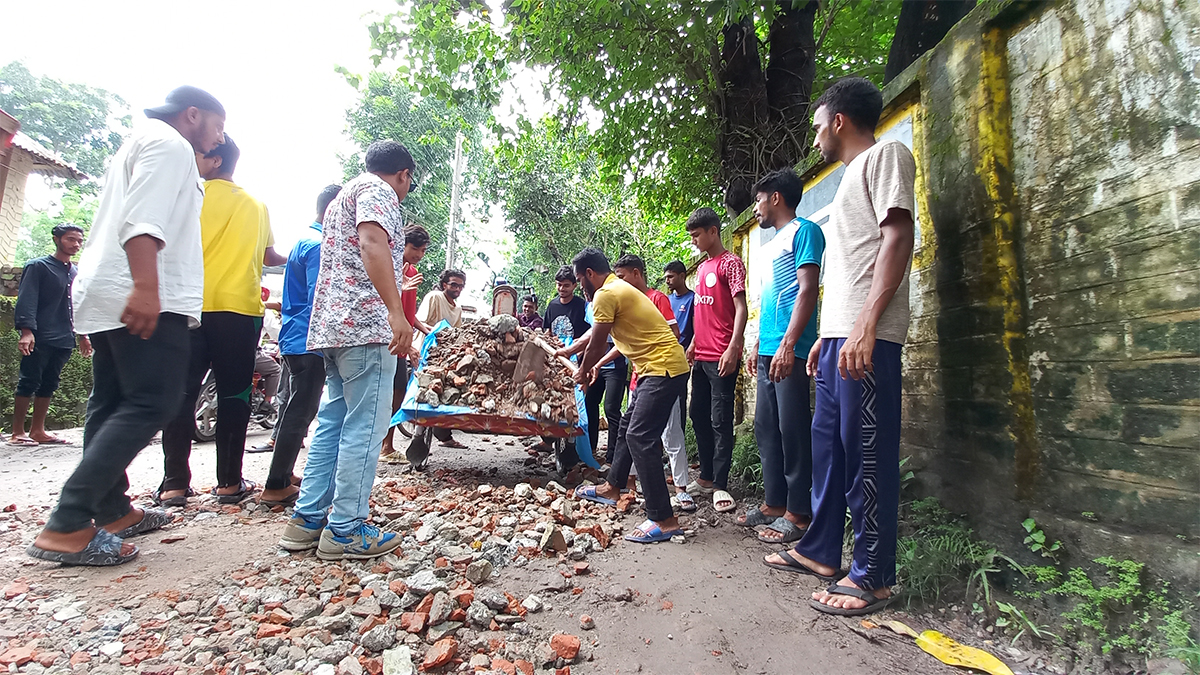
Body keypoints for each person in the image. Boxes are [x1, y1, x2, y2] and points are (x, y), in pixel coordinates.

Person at [26, 85, 226, 566]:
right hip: (134, 284)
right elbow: (144, 221)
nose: (220, 138)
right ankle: (68, 522)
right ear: (193, 115)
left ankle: (111, 507)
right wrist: (146, 287)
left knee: (112, 398)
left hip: (104, 285)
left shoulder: (138, 144)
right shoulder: (171, 144)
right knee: (154, 400)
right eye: (218, 126)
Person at [769, 77, 915, 617]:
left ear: (838, 120)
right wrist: (827, 338)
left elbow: (898, 238)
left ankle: (873, 574)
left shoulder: (887, 156)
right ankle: (821, 550)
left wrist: (866, 324)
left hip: (867, 340)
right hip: (838, 342)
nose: (813, 140)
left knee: (867, 456)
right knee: (829, 450)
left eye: (815, 127)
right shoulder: (849, 176)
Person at [280, 140, 418, 560]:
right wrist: (397, 313)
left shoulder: (343, 196)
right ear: (403, 175)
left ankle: (307, 519)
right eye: (408, 182)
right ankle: (346, 528)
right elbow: (373, 244)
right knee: (365, 426)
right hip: (366, 327)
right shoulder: (380, 193)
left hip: (334, 329)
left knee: (333, 421)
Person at [158, 135, 286, 507]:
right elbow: (271, 256)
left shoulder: (188, 197)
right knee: (235, 395)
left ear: (213, 159)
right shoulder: (256, 206)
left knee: (180, 396)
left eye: (198, 152)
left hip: (187, 308)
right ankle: (229, 483)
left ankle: (174, 485)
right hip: (238, 311)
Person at [567, 248, 689, 544]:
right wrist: (568, 351)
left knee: (640, 436)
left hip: (663, 368)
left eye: (578, 278)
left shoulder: (606, 294)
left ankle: (664, 519)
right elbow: (594, 336)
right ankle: (613, 487)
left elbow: (596, 343)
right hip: (654, 368)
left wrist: (583, 371)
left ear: (589, 275)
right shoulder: (614, 289)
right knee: (625, 428)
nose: (579, 284)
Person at [739, 167, 824, 546]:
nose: (755, 207)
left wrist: (790, 343)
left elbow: (808, 291)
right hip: (769, 348)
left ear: (776, 197)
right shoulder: (771, 244)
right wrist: (759, 341)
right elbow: (770, 300)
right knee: (766, 428)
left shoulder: (805, 232)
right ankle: (774, 503)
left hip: (792, 348)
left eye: (759, 199)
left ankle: (798, 513)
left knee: (793, 430)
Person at [258, 184, 341, 505]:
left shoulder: (303, 240)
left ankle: (284, 473)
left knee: (297, 406)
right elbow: (319, 297)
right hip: (310, 339)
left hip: (295, 336)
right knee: (301, 409)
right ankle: (276, 483)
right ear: (331, 210)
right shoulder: (320, 246)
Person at [609, 254, 694, 513]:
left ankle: (680, 490)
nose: (618, 283)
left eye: (622, 277)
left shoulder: (658, 299)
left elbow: (673, 333)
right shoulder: (623, 300)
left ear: (637, 273)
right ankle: (632, 487)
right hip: (639, 376)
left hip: (662, 373)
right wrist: (599, 363)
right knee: (633, 431)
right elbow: (621, 342)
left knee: (668, 433)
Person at [686, 207, 748, 513]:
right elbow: (704, 312)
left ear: (713, 231)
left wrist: (733, 347)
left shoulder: (730, 264)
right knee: (697, 414)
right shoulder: (701, 269)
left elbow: (741, 308)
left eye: (697, 235)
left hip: (723, 355)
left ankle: (721, 484)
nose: (695, 241)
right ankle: (707, 476)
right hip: (702, 356)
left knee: (720, 420)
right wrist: (695, 343)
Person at [9, 223, 92, 447]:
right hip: (40, 335)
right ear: (56, 239)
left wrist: (82, 335)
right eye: (71, 239)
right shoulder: (38, 266)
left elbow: (77, 304)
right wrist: (27, 331)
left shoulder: (75, 272)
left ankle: (38, 430)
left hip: (64, 337)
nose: (76, 244)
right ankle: (17, 432)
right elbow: (27, 299)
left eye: (79, 241)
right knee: (29, 381)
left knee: (50, 382)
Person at [378, 226, 430, 462]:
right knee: (382, 395)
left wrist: (423, 329)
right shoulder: (387, 269)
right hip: (387, 341)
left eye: (423, 250)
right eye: (415, 248)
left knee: (398, 394)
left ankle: (387, 446)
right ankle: (378, 447)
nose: (419, 254)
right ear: (402, 244)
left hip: (402, 341)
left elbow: (406, 311)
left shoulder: (412, 272)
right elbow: (386, 308)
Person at [416, 268, 467, 449]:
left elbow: (459, 333)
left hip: (445, 355)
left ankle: (444, 436)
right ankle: (418, 437)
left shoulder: (458, 308)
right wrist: (436, 334)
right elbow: (419, 321)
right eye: (454, 284)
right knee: (422, 392)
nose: (457, 289)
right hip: (426, 351)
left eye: (461, 286)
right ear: (444, 284)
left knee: (445, 391)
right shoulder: (435, 297)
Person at [663, 259, 694, 461]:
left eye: (671, 277)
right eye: (665, 277)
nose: (667, 281)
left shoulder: (693, 299)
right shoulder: (666, 300)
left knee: (679, 400)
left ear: (682, 276)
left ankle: (678, 447)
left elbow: (697, 327)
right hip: (664, 356)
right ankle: (663, 447)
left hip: (683, 355)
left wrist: (690, 348)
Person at [542, 266, 589, 341]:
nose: (561, 289)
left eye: (566, 286)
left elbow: (590, 334)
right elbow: (548, 331)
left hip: (576, 350)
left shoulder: (582, 306)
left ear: (574, 286)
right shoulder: (552, 305)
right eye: (559, 285)